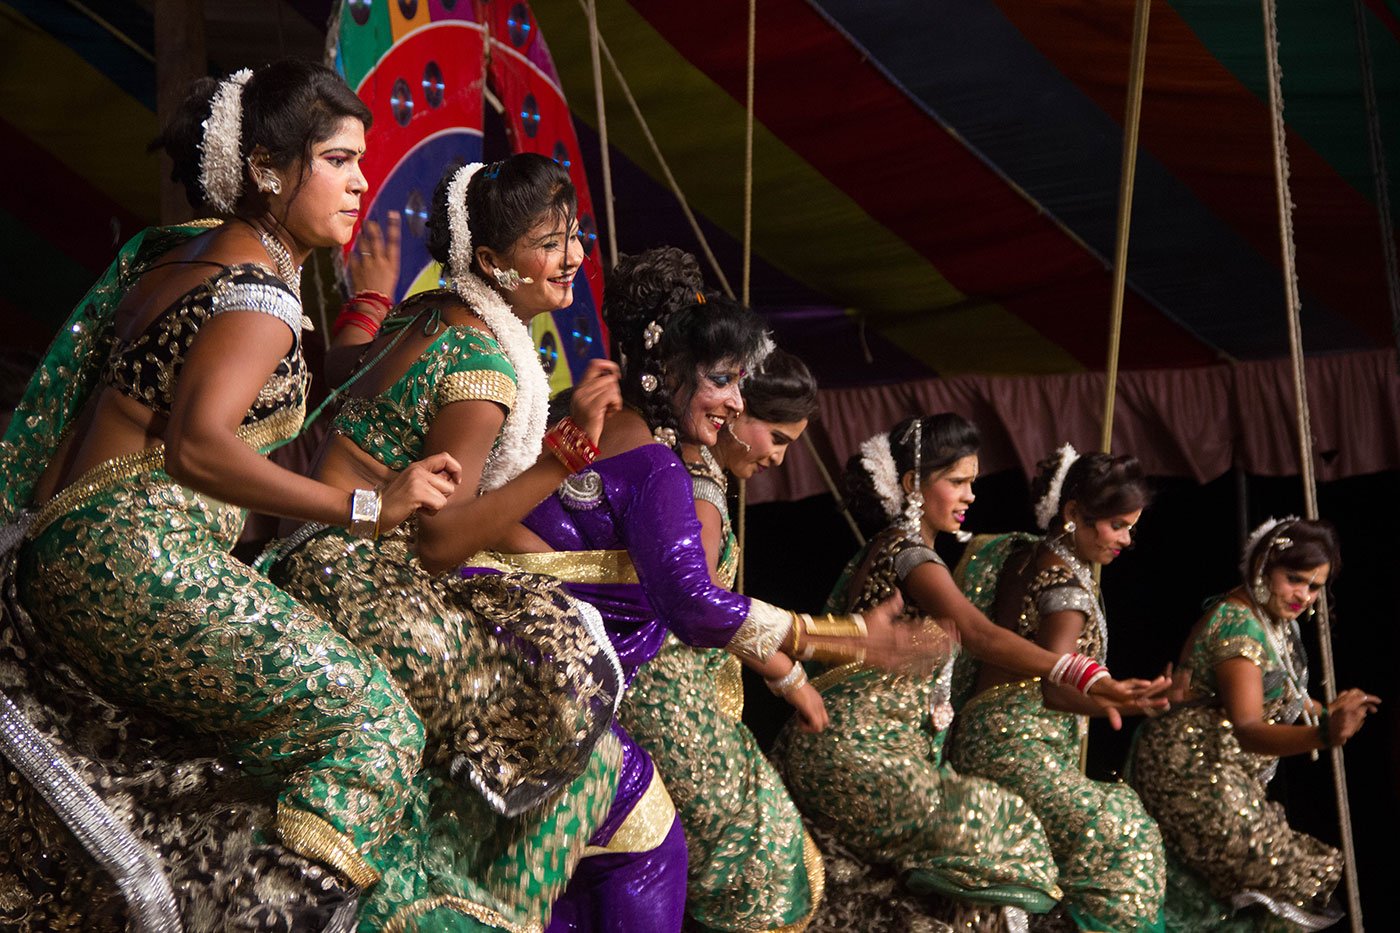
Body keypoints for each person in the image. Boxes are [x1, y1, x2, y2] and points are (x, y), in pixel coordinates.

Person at [0, 61, 479, 930]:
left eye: (361, 160)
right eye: (338, 160)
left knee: (244, 769)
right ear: (266, 166)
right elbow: (197, 445)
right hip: (134, 556)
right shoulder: (257, 293)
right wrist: (367, 509)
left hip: (75, 553)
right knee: (375, 727)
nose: (361, 180)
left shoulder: (175, 255)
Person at [483, 249, 946, 931]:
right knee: (760, 867)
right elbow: (693, 604)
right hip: (610, 693)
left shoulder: (602, 434)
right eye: (724, 379)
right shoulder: (658, 464)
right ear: (668, 365)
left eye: (739, 382)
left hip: (552, 679)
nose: (735, 405)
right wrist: (847, 641)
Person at [265, 153, 627, 929]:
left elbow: (340, 368)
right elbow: (438, 539)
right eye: (550, 243)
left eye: (574, 238)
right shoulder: (484, 365)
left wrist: (367, 297)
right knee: (572, 714)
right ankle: (445, 907)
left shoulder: (424, 315)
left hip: (308, 553)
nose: (572, 258)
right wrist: (565, 454)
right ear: (493, 263)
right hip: (363, 574)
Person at [775, 417, 1165, 930]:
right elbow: (978, 635)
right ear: (915, 485)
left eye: (973, 483)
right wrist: (1082, 673)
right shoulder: (908, 554)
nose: (971, 496)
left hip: (875, 752)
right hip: (857, 752)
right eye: (957, 482)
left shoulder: (910, 554)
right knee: (1004, 828)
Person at [618, 348, 829, 933]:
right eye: (778, 438)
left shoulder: (666, 460)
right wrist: (792, 671)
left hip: (636, 684)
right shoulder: (697, 486)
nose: (778, 458)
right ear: (734, 409)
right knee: (767, 860)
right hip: (663, 698)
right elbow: (705, 609)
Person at [947, 444, 1168, 932]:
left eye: (1131, 525)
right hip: (1017, 748)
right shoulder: (1064, 587)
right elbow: (1056, 688)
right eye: (1119, 526)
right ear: (1073, 513)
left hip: (981, 737)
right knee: (1124, 828)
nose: (1128, 540)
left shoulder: (1021, 553)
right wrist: (1133, 703)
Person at [1125, 518, 1375, 930]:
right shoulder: (1238, 626)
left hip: (1228, 773)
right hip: (1191, 773)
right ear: (1263, 567)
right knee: (1287, 872)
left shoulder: (1277, 621)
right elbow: (1248, 726)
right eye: (1294, 579)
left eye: (1314, 587)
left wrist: (1328, 710)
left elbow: (1283, 696)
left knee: (1290, 883)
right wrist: (1325, 733)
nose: (1303, 595)